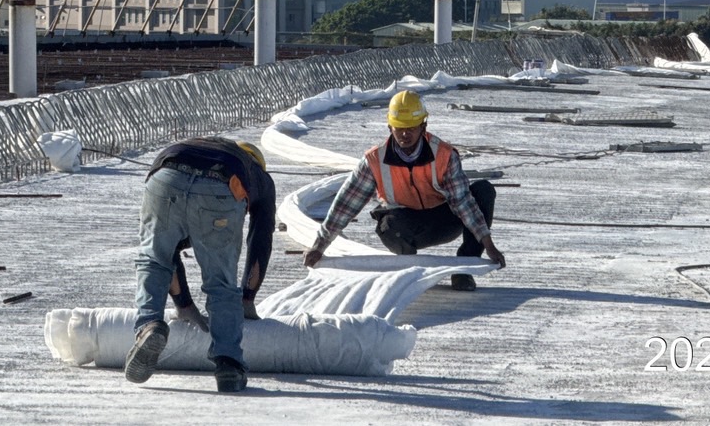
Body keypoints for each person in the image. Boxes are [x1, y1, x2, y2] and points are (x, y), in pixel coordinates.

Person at [303, 89, 504, 290]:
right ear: (390, 126)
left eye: (411, 128)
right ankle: (409, 272)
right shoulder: (375, 160)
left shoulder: (444, 155)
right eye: (399, 128)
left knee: (483, 190)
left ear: (423, 126)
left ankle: (464, 270)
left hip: (445, 221)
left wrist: (488, 245)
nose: (405, 134)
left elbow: (463, 202)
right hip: (405, 228)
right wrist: (319, 246)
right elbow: (345, 205)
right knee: (389, 225)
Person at [126, 136, 275, 393]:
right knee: (221, 281)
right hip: (222, 186)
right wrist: (247, 298)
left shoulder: (203, 144)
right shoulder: (258, 176)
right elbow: (260, 242)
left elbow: (168, 253)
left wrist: (183, 304)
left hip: (166, 176)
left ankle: (149, 325)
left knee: (155, 257)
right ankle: (228, 365)